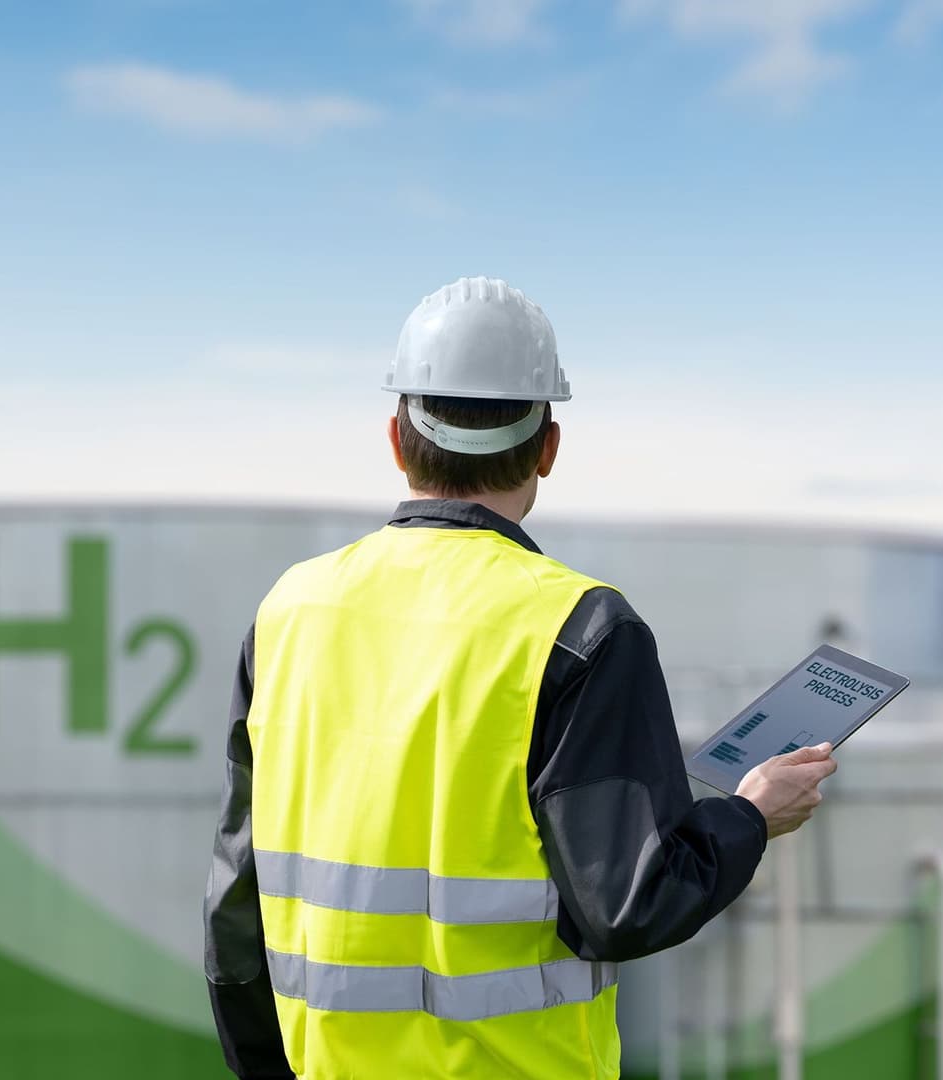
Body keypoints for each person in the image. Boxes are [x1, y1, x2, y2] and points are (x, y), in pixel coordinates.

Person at [203, 276, 838, 1079]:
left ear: (397, 441)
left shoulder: (288, 610)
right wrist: (750, 816)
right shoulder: (583, 629)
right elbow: (632, 904)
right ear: (549, 446)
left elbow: (236, 897)